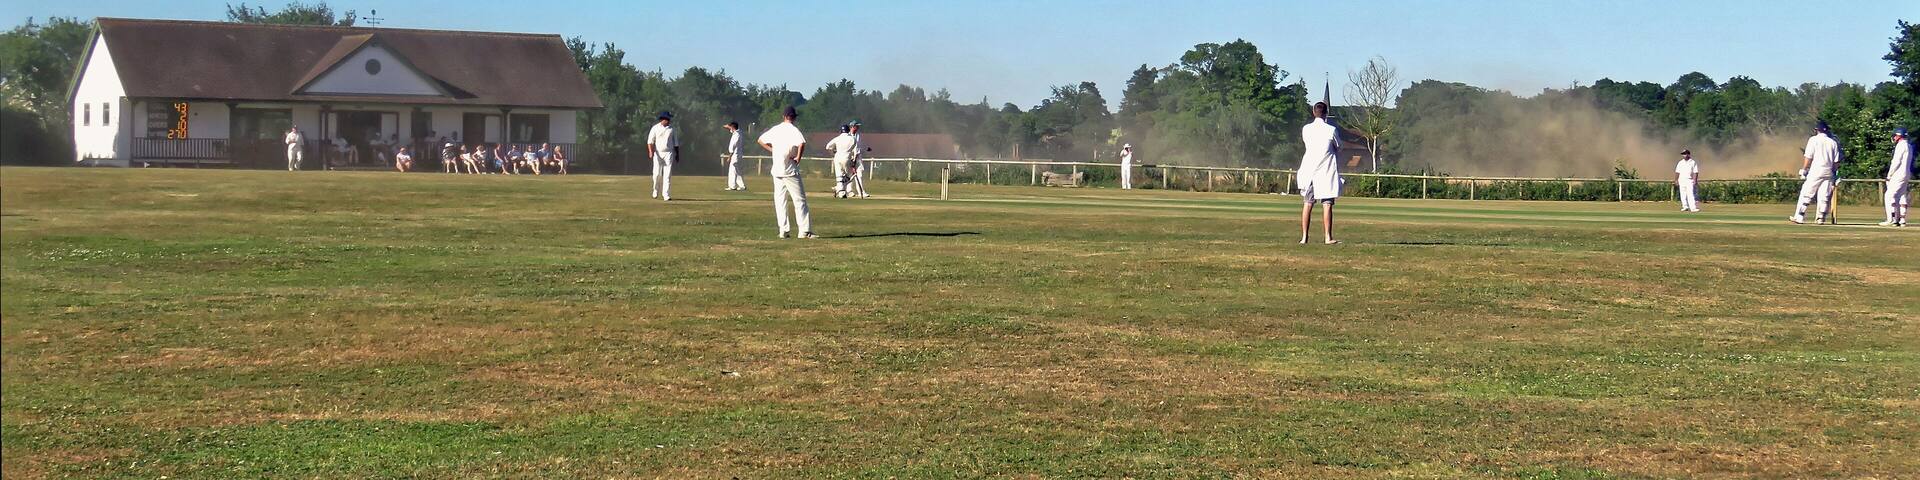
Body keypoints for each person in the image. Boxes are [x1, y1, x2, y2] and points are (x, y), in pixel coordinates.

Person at [759, 106, 815, 238]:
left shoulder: (776, 129)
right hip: (789, 169)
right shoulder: (793, 130)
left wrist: (773, 150)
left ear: (783, 116)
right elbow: (801, 143)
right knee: (799, 200)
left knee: (780, 201)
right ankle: (804, 231)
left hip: (777, 169)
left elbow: (760, 140)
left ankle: (783, 230)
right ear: (794, 117)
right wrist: (798, 158)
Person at [1297, 102, 1341, 244]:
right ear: (1326, 113)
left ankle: (1304, 237)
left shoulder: (1306, 129)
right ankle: (1327, 237)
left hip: (1310, 169)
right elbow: (1339, 146)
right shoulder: (1331, 129)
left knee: (1308, 203)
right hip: (1325, 170)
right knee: (1327, 204)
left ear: (1313, 112)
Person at [1790, 121, 1843, 224]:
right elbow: (1836, 162)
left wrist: (1804, 169)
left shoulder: (1813, 140)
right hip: (1828, 172)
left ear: (1816, 130)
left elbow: (1808, 157)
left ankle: (1800, 216)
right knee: (1824, 195)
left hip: (1816, 170)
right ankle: (1821, 218)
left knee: (1807, 193)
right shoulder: (1833, 142)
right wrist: (1836, 174)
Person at [1883, 127, 1913, 227]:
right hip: (1906, 173)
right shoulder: (1909, 145)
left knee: (1889, 196)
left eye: (1895, 136)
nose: (1894, 138)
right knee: (1900, 196)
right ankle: (1901, 220)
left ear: (1898, 136)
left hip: (1898, 174)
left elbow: (1896, 162)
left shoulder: (1900, 146)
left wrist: (1889, 174)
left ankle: (1891, 219)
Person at [647, 111, 679, 201]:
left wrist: (677, 155)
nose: (669, 120)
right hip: (658, 153)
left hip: (669, 153)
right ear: (662, 119)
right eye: (667, 119)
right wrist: (650, 152)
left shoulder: (672, 129)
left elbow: (676, 143)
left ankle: (666, 194)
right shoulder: (655, 128)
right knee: (657, 174)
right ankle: (655, 190)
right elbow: (650, 141)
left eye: (669, 119)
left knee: (667, 175)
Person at [826, 123, 857, 198]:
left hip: (837, 157)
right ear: (848, 130)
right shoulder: (853, 139)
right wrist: (853, 159)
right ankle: (842, 188)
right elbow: (853, 148)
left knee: (839, 176)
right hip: (847, 157)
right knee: (849, 175)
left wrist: (833, 152)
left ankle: (841, 191)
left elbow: (827, 147)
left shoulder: (837, 138)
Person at [847, 120, 871, 198]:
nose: (858, 128)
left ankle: (861, 192)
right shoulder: (847, 136)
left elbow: (859, 146)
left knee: (859, 174)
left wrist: (866, 148)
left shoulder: (858, 135)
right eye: (856, 126)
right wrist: (851, 159)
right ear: (852, 126)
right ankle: (849, 191)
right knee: (850, 175)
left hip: (858, 157)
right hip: (849, 157)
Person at [723, 122, 747, 191]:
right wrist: (728, 127)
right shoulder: (739, 132)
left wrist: (729, 156)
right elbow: (733, 130)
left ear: (733, 127)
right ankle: (741, 186)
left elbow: (733, 146)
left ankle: (732, 186)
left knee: (732, 171)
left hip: (735, 155)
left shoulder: (737, 135)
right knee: (737, 171)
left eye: (730, 127)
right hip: (737, 155)